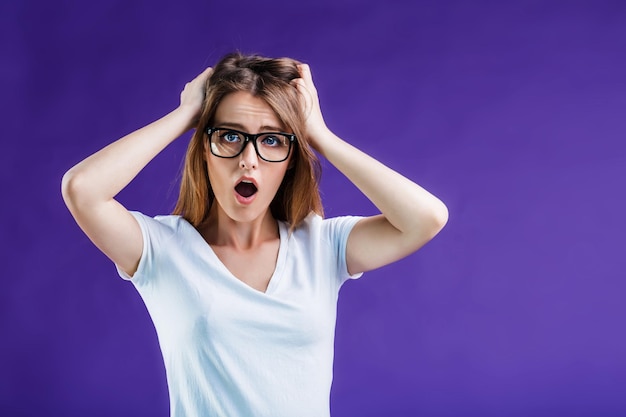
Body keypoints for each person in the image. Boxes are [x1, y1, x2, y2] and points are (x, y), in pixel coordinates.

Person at [61, 52, 449, 417]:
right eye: (230, 136)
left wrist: (318, 134)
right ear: (205, 149)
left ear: (290, 160)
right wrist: (185, 115)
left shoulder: (321, 245)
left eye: (272, 140)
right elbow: (82, 189)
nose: (249, 159)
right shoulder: (160, 249)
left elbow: (426, 217)